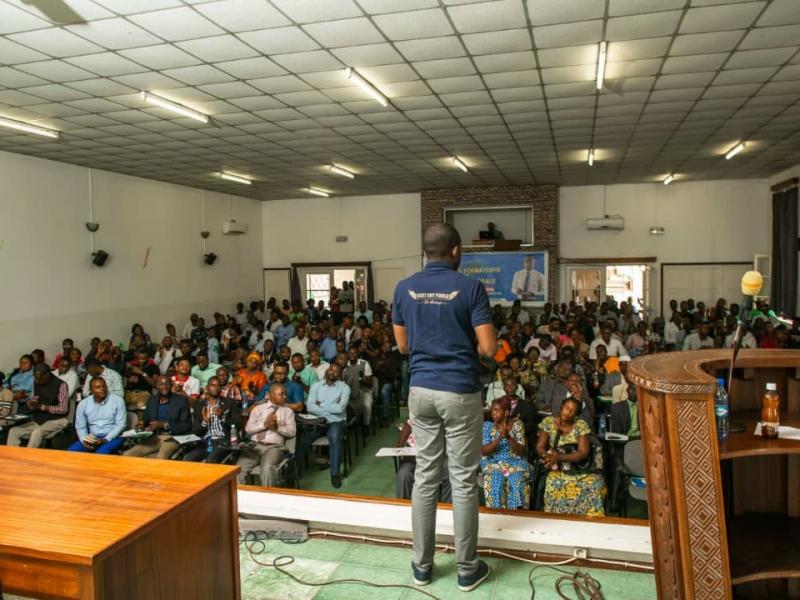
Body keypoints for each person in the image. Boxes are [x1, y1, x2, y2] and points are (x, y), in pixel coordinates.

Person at [392, 223, 496, 591]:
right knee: (464, 480)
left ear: (425, 251)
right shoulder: (470, 288)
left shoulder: (404, 289)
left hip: (420, 391)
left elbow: (402, 347)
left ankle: (421, 567)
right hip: (459, 391)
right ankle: (467, 570)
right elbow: (489, 349)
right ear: (455, 251)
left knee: (425, 476)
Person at [537, 397, 606, 516]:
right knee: (554, 483)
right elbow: (540, 447)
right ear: (560, 408)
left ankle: (588, 522)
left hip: (579, 468)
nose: (567, 412)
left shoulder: (580, 425)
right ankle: (556, 518)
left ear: (576, 415)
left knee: (593, 484)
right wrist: (547, 456)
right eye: (566, 408)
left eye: (572, 411)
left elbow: (583, 453)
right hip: (557, 468)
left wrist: (559, 457)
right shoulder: (548, 422)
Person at [297, 364, 350, 488]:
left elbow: (340, 408)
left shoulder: (345, 388)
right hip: (317, 421)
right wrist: (330, 406)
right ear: (327, 370)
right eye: (331, 369)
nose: (333, 372)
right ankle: (295, 472)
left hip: (335, 421)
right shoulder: (316, 386)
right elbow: (310, 407)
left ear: (340, 375)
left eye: (336, 371)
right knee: (302, 439)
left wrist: (321, 404)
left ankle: (334, 474)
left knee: (335, 437)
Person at [237, 383, 296, 486]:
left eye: (285, 394)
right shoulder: (258, 409)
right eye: (281, 394)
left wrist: (277, 428)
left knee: (268, 467)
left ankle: (268, 498)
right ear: (271, 395)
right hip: (254, 446)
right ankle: (239, 498)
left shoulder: (288, 412)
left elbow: (292, 432)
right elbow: (248, 429)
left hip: (274, 448)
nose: (285, 397)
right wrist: (264, 425)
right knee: (239, 468)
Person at [124, 375, 192, 459]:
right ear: (156, 386)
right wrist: (142, 423)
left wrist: (164, 425)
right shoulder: (152, 400)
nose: (164, 386)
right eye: (160, 384)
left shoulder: (181, 400)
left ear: (171, 385)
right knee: (128, 454)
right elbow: (147, 418)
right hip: (155, 437)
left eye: (167, 383)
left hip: (173, 437)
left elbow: (186, 425)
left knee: (159, 458)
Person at [480, 397, 530, 510]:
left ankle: (517, 516)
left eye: (497, 410)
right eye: (492, 410)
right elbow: (484, 451)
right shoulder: (487, 426)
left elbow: (522, 450)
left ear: (506, 412)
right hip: (493, 462)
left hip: (514, 463)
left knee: (517, 482)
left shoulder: (517, 425)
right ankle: (497, 516)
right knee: (496, 482)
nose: (493, 413)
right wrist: (499, 438)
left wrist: (508, 437)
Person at [7, 364, 70, 448]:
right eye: (35, 377)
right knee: (13, 431)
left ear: (47, 375)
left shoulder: (61, 385)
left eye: (39, 378)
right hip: (39, 420)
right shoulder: (37, 382)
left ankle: (28, 459)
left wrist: (42, 407)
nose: (36, 380)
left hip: (57, 420)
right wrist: (31, 404)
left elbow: (63, 409)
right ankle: (12, 459)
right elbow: (34, 398)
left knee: (37, 433)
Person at [184, 376, 239, 463]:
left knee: (211, 460)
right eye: (213, 385)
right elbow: (195, 430)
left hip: (223, 442)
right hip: (205, 442)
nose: (216, 388)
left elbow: (237, 424)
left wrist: (222, 417)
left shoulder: (229, 403)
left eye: (218, 386)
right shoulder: (199, 406)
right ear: (207, 387)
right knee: (188, 459)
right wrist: (205, 422)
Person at [69, 377, 126, 454]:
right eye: (98, 387)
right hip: (93, 437)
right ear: (91, 390)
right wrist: (85, 441)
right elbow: (80, 427)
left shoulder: (118, 401)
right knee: (71, 452)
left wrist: (105, 439)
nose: (102, 389)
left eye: (104, 386)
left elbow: (121, 425)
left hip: (113, 437)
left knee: (101, 453)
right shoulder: (83, 404)